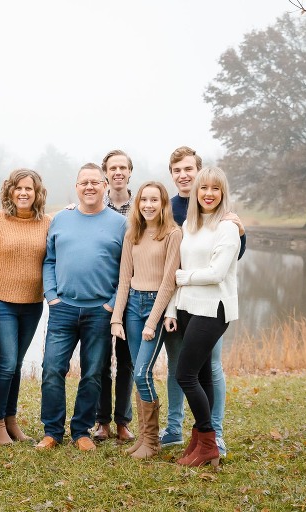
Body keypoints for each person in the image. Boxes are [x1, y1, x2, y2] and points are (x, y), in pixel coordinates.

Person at [161, 146, 246, 458]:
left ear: (223, 193)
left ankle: (210, 440)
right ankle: (198, 440)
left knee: (186, 374)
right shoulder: (188, 225)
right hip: (187, 307)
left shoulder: (228, 225)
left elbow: (218, 272)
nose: (208, 194)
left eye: (215, 189)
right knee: (201, 375)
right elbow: (174, 266)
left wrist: (185, 277)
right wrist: (171, 308)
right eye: (204, 189)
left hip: (213, 308)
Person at [36, 163, 126, 452]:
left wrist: (112, 304)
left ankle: (81, 431)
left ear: (105, 186)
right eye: (83, 182)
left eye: (95, 182)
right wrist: (51, 295)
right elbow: (49, 260)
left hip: (100, 311)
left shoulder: (119, 223)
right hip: (63, 308)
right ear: (76, 187)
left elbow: (128, 268)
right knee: (52, 369)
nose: (89, 187)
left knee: (93, 373)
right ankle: (52, 431)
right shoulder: (60, 219)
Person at [110, 181, 181, 459]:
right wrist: (117, 318)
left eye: (155, 200)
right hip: (132, 308)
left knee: (141, 373)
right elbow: (124, 278)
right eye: (144, 200)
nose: (148, 205)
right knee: (141, 374)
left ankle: (152, 442)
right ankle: (143, 439)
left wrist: (153, 321)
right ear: (138, 204)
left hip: (156, 307)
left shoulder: (173, 234)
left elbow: (168, 282)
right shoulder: (133, 234)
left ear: (164, 204)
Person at [0, 169, 51, 445]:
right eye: (18, 188)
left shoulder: (47, 222)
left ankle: (11, 420)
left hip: (32, 304)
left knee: (18, 364)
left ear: (37, 194)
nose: (23, 193)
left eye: (29, 189)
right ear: (9, 191)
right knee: (7, 363)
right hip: (1, 303)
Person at [94, 149, 136, 443]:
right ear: (105, 173)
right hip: (101, 295)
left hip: (132, 295)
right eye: (113, 167)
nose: (118, 172)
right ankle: (101, 422)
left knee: (127, 362)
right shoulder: (94, 206)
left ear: (130, 172)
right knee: (99, 362)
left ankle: (123, 421)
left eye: (123, 167)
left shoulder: (142, 207)